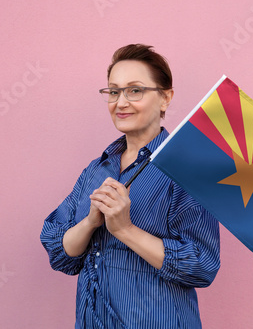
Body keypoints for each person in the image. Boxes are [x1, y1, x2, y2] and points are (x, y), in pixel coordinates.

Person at [40, 44, 221, 329]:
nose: (120, 103)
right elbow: (60, 253)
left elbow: (201, 266)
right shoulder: (96, 170)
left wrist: (124, 229)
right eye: (113, 92)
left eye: (135, 90)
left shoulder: (187, 171)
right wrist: (89, 223)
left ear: (165, 98)